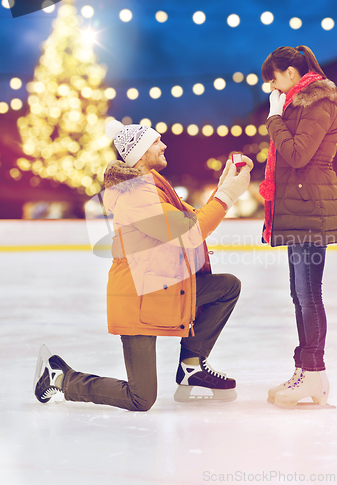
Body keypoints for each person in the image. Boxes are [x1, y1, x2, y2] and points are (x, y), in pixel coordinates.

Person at [34, 120, 252, 411]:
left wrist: (225, 185)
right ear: (139, 153)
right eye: (156, 142)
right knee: (141, 397)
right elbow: (190, 233)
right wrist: (229, 196)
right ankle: (61, 378)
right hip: (137, 297)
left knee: (226, 287)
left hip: (160, 287)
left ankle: (191, 366)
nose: (164, 145)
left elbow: (194, 217)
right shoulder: (136, 195)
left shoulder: (154, 188)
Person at [259, 45, 337, 407]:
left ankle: (314, 373)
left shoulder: (318, 102)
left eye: (273, 79)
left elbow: (297, 154)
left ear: (290, 74)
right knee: (300, 295)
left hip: (311, 209)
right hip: (299, 206)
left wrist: (274, 120)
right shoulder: (299, 104)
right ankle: (308, 372)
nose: (272, 88)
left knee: (309, 295)